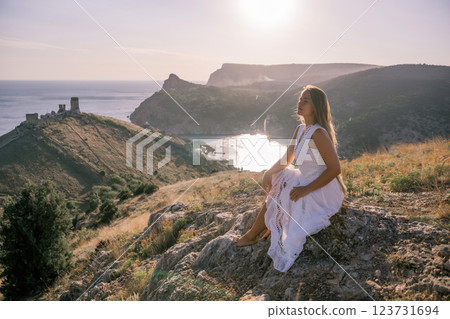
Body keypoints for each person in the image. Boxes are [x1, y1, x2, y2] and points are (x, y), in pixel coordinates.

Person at [233, 85, 347, 272]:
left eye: (305, 100)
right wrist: (268, 172)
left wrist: (306, 189)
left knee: (285, 194)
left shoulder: (318, 133)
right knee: (279, 178)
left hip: (321, 188)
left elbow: (335, 169)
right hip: (305, 180)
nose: (300, 103)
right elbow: (288, 158)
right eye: (300, 99)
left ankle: (253, 234)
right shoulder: (301, 129)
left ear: (316, 107)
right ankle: (256, 232)